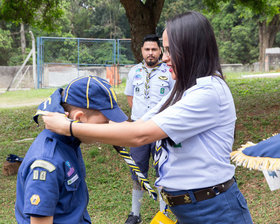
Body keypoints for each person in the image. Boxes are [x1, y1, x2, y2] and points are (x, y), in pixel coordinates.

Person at [42, 11, 253, 224]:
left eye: (170, 50)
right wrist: (84, 114)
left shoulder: (208, 92)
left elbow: (140, 135)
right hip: (190, 210)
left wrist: (69, 127)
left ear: (192, 49)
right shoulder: (184, 90)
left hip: (214, 212)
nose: (164, 58)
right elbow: (136, 124)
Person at [15, 75, 127, 224]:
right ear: (79, 118)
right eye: (105, 120)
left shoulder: (70, 143)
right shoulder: (47, 162)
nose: (108, 125)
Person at [124, 34, 175, 223]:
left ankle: (164, 214)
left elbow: (174, 98)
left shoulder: (168, 71)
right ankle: (135, 214)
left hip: (161, 129)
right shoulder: (134, 71)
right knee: (137, 172)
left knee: (163, 171)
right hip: (139, 129)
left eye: (154, 49)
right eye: (147, 49)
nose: (151, 53)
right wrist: (140, 120)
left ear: (160, 50)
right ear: (142, 51)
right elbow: (130, 98)